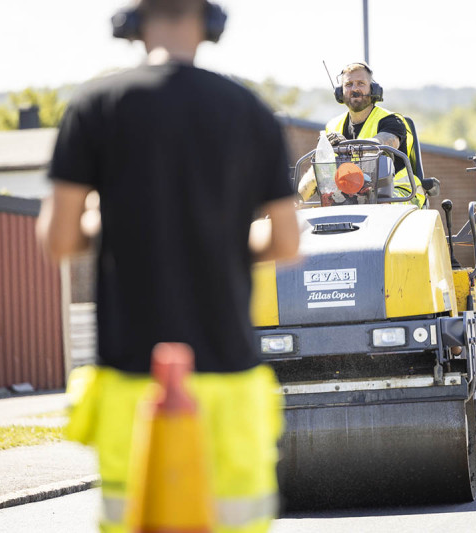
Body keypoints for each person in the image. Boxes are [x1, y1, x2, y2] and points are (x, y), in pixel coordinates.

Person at [35, 1, 299, 532]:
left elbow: (60, 239)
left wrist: (102, 223)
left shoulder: (93, 106)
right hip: (228, 378)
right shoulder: (250, 111)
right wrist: (221, 236)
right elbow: (287, 243)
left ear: (132, 22)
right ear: (211, 22)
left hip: (133, 381)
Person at [325, 61, 424, 207]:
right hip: (356, 196)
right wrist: (298, 197)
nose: (355, 89)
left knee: (380, 206)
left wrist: (345, 146)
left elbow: (384, 142)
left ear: (374, 89)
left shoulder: (392, 121)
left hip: (401, 195)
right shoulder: (333, 126)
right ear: (340, 92)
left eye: (361, 83)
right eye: (349, 84)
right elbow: (320, 168)